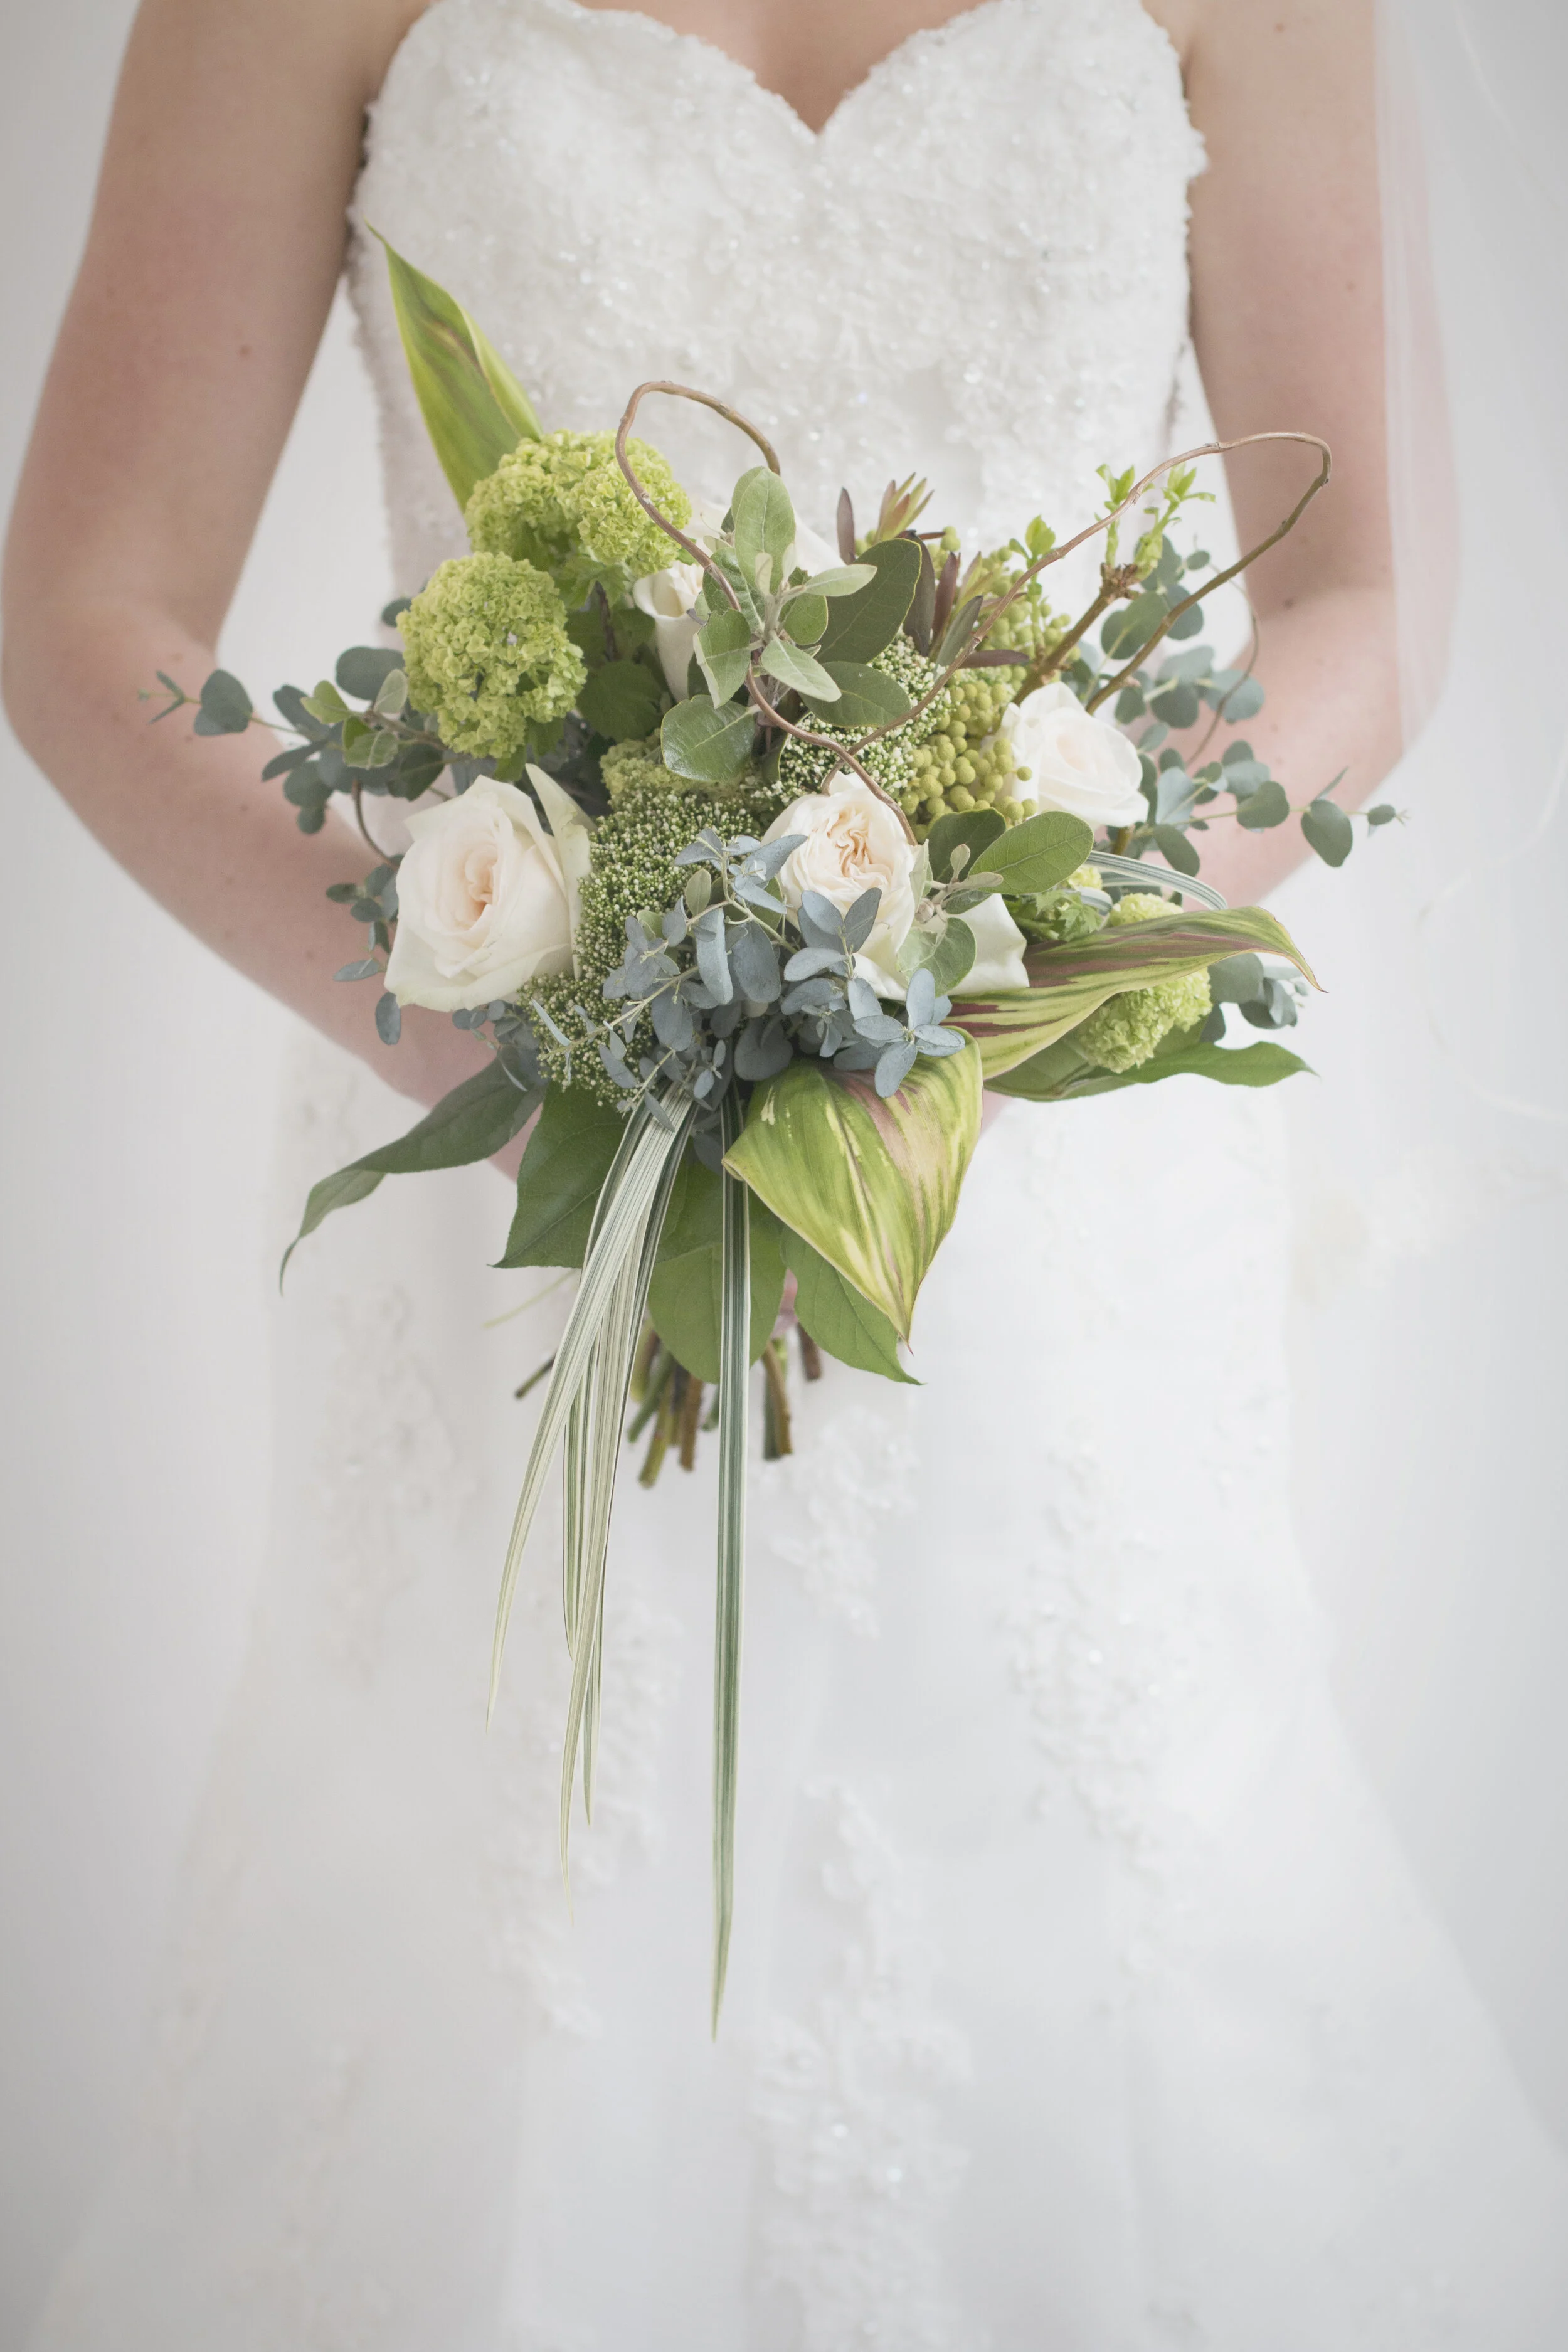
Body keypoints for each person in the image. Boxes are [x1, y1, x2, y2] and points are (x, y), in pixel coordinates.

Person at [6, 1, 1567, 2343]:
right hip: (514, 1162)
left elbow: (1355, 598)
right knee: (497, 1933)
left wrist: (1011, 957)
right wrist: (518, 1019)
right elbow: (92, 610)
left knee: (1103, 1905)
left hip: (1032, 1164)